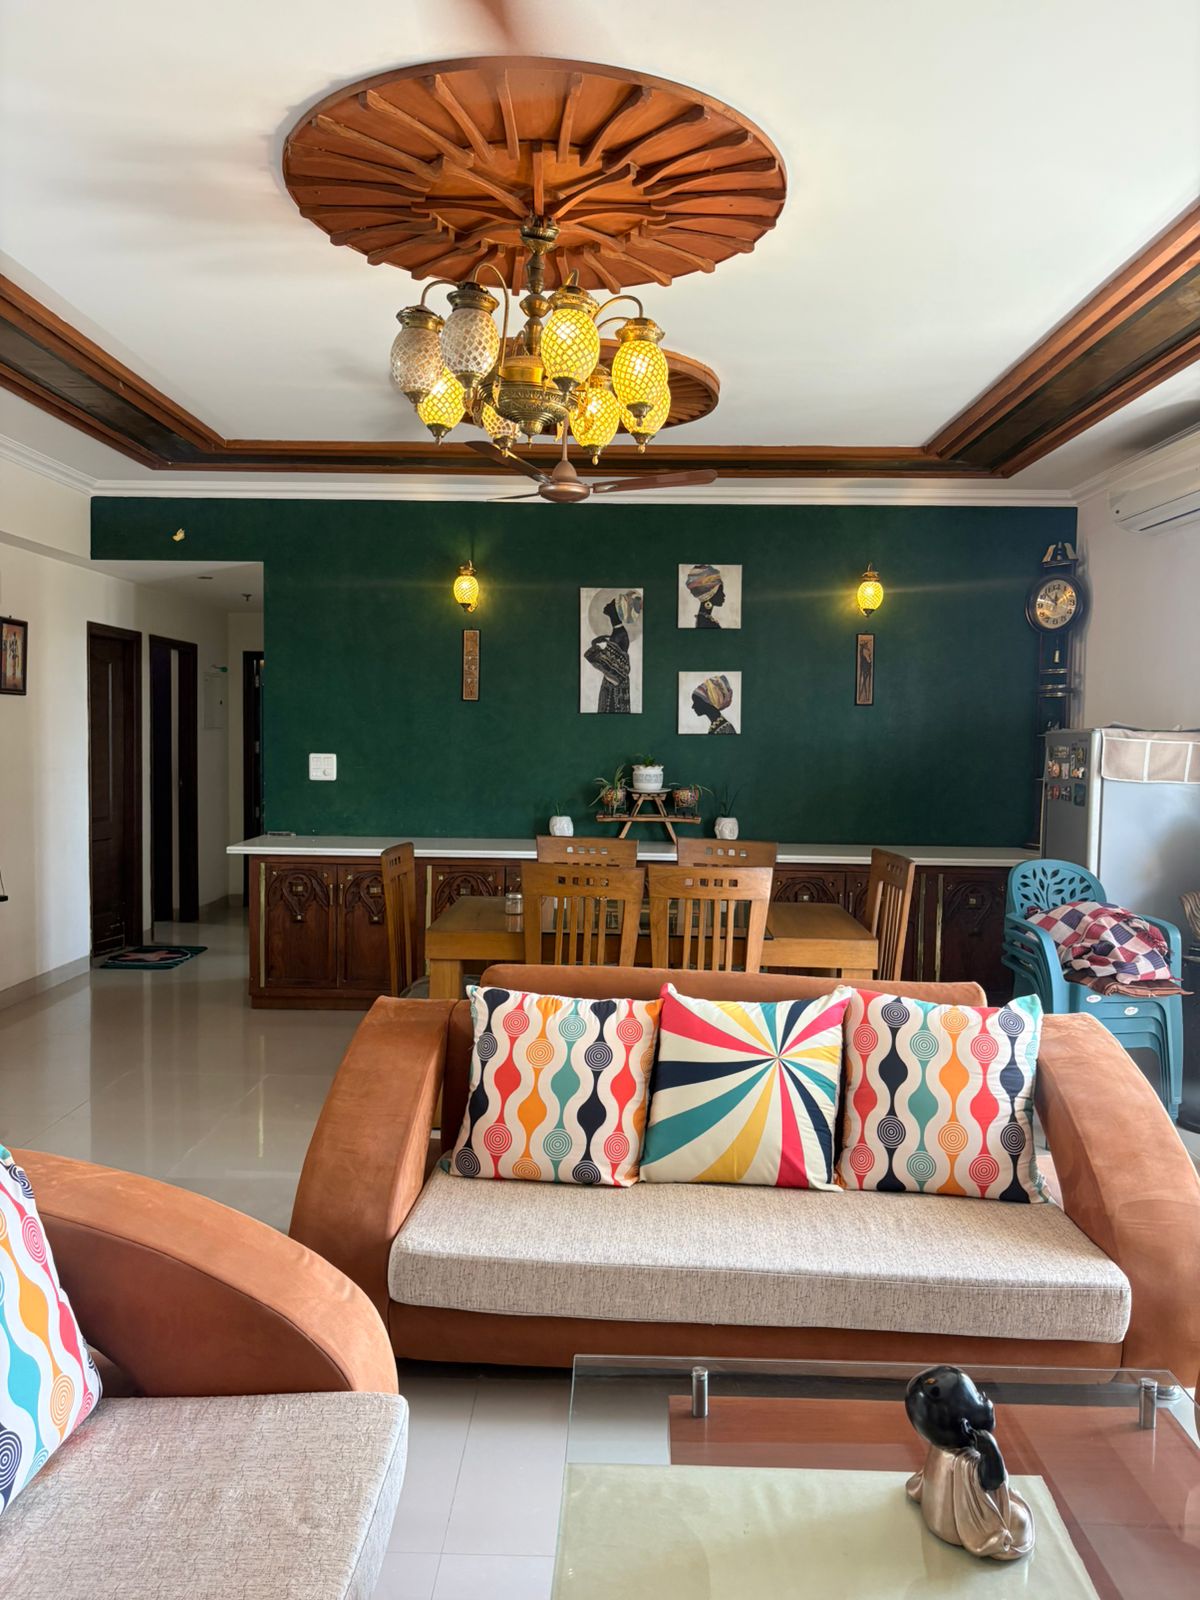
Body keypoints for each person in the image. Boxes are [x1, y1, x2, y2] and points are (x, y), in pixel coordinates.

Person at [584, 590, 642, 714]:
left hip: (614, 688)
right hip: (615, 686)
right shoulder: (618, 632)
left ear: (616, 611)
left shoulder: (619, 634)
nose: (608, 605)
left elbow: (603, 662)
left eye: (612, 603)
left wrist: (594, 645)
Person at [685, 563, 726, 628]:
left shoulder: (703, 619)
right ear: (709, 595)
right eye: (720, 591)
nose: (724, 595)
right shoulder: (708, 623)